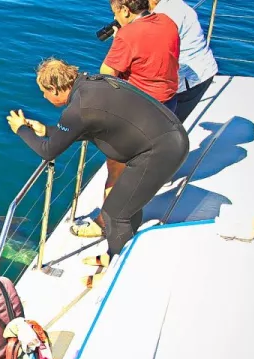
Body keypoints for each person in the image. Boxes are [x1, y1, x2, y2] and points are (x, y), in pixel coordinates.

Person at [7, 58, 188, 286]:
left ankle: (117, 275)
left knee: (115, 212)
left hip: (159, 151)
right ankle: (117, 255)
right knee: (128, 206)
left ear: (55, 88)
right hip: (168, 137)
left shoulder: (78, 110)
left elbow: (48, 151)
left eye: (44, 92)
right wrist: (47, 130)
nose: (43, 97)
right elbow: (90, 125)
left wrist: (22, 130)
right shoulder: (93, 85)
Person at [73, 0, 181, 238]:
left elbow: (107, 75)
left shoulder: (128, 35)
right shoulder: (168, 22)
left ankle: (104, 223)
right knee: (144, 161)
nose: (115, 17)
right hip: (168, 104)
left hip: (141, 112)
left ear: (124, 9)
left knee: (116, 166)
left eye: (115, 12)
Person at [149, 0, 219, 123]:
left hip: (190, 79)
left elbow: (153, 53)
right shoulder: (176, 4)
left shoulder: (163, 16)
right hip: (203, 68)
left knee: (168, 127)